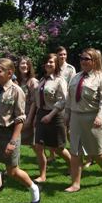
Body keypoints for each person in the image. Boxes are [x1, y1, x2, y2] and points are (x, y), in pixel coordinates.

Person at [0, 58, 40, 203]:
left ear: (10, 73)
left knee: (13, 171)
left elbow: (20, 118)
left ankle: (33, 187)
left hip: (9, 134)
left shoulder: (16, 91)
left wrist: (13, 142)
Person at [65, 48, 102, 192]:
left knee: (97, 152)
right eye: (82, 59)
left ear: (95, 61)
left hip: (93, 118)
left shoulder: (101, 78)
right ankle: (75, 183)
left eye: (87, 59)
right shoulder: (76, 77)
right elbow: (69, 98)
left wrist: (100, 116)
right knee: (75, 152)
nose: (83, 62)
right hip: (76, 118)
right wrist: (67, 116)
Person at [33, 53, 71, 182]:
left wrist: (50, 115)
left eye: (51, 62)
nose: (49, 64)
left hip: (55, 116)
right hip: (41, 115)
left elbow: (63, 100)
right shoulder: (43, 79)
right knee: (38, 147)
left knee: (58, 148)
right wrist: (36, 117)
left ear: (56, 65)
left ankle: (73, 165)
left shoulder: (60, 80)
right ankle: (42, 175)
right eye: (47, 62)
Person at [55, 46, 76, 164]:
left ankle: (76, 154)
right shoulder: (53, 67)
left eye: (64, 54)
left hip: (67, 102)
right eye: (60, 54)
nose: (62, 56)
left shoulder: (70, 69)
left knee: (68, 131)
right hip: (54, 103)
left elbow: (72, 86)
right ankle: (53, 154)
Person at [15, 56, 38, 154]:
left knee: (35, 145)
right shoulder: (16, 81)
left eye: (26, 64)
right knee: (14, 140)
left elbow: (35, 101)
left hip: (29, 116)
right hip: (18, 115)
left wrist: (29, 119)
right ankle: (12, 167)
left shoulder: (32, 81)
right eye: (22, 63)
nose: (24, 66)